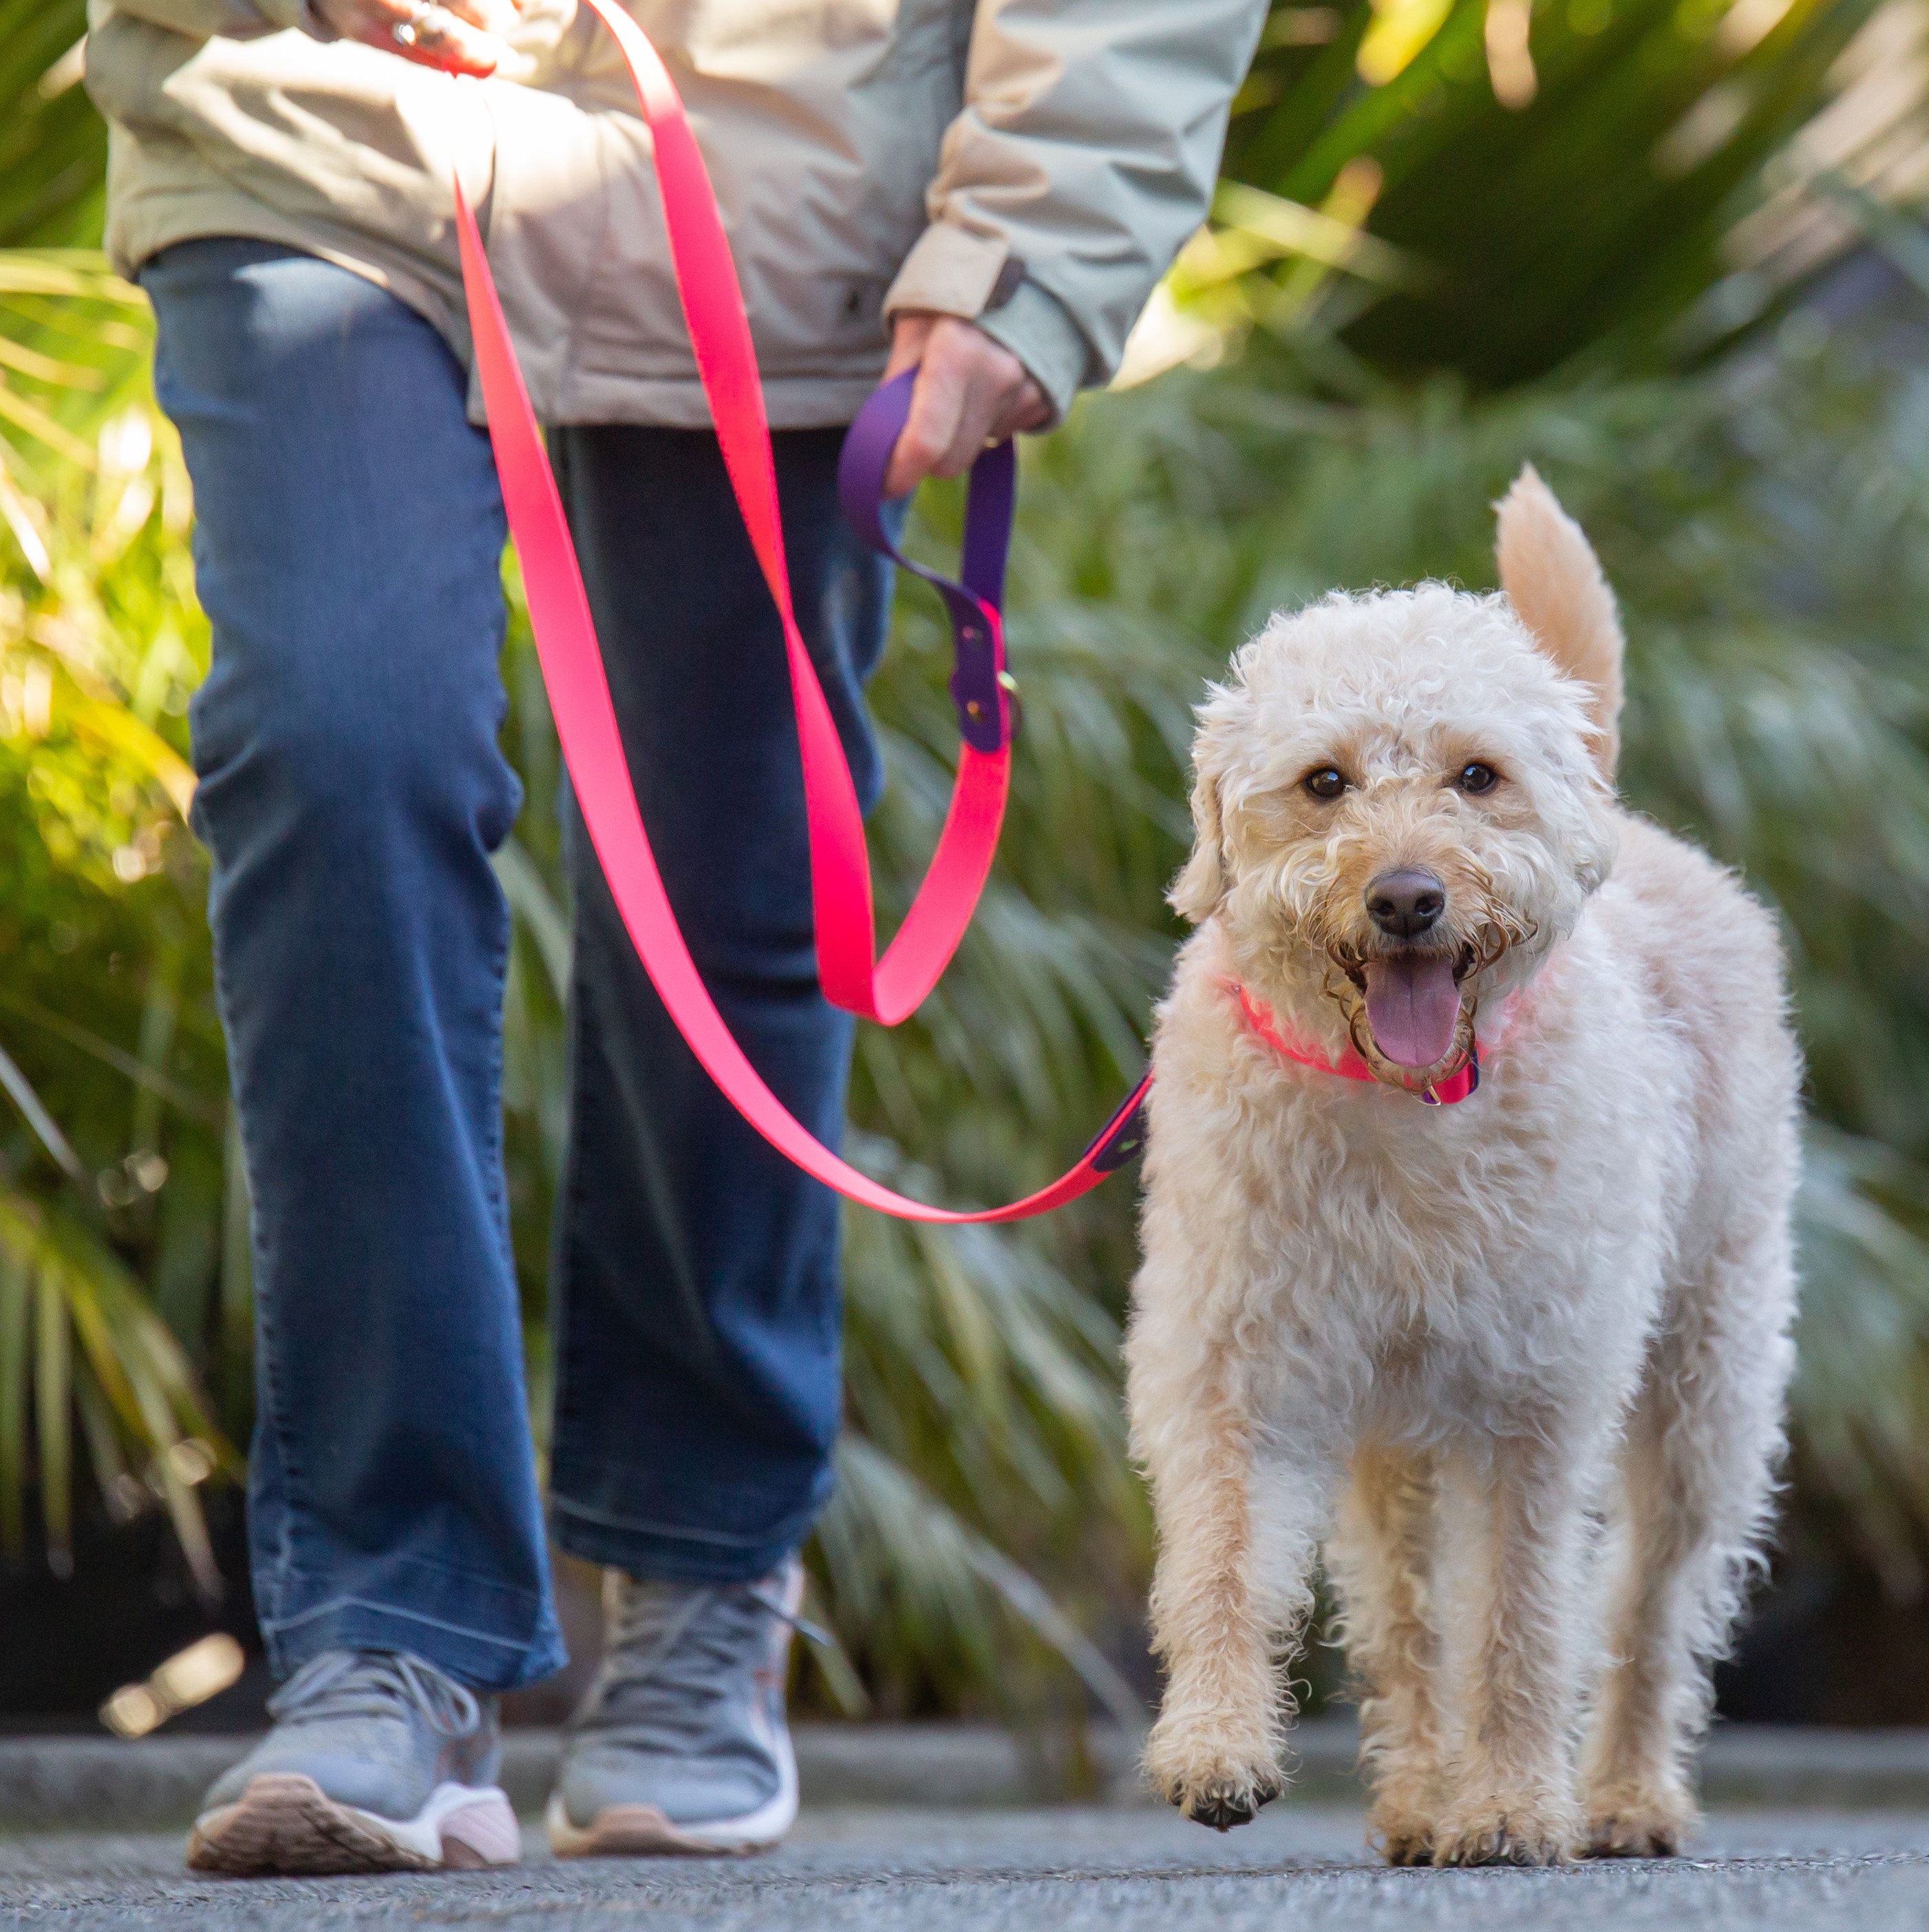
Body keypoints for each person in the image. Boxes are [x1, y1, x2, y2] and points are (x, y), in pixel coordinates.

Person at [86, 0, 1263, 1874]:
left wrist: (1038, 246)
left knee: (737, 873)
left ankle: (705, 1574)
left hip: (788, 181)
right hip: (326, 148)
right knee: (336, 742)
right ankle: (392, 1624)